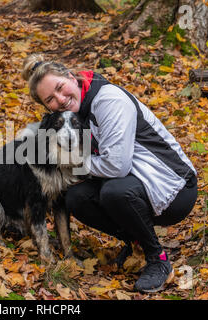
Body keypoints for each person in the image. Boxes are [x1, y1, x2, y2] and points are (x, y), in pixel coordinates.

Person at [21, 54, 198, 293]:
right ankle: (135, 242)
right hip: (137, 182)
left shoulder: (108, 100)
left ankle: (158, 259)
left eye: (61, 88)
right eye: (50, 99)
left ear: (72, 77)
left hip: (173, 187)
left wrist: (72, 163)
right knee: (76, 197)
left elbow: (116, 167)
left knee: (114, 192)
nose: (60, 100)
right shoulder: (76, 112)